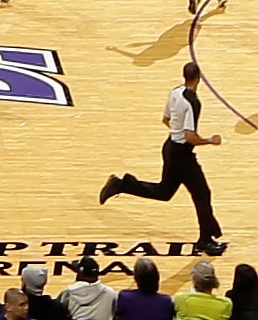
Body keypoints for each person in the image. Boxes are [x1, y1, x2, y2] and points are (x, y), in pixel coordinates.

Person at [94, 50, 222, 253]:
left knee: (165, 192)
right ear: (199, 78)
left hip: (170, 147)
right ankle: (206, 239)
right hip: (181, 153)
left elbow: (166, 120)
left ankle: (122, 184)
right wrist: (210, 141)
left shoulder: (175, 92)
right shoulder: (193, 102)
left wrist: (177, 132)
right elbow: (190, 136)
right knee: (202, 194)